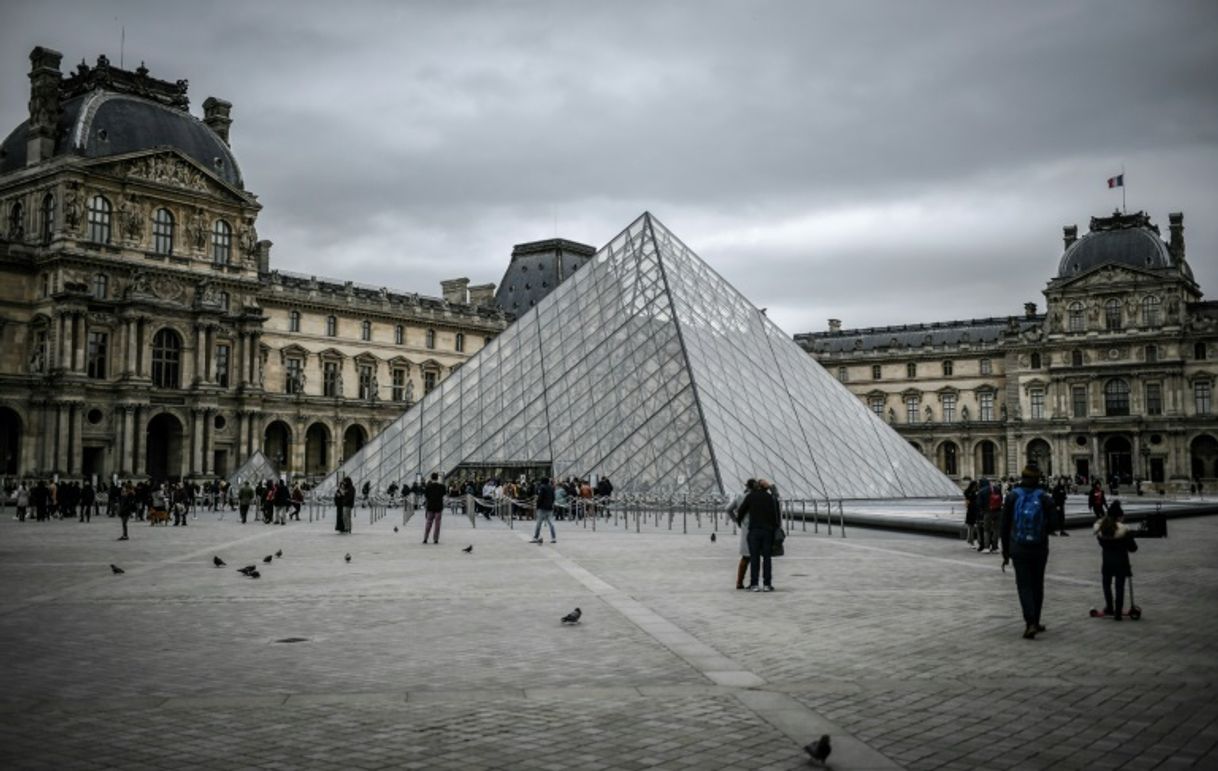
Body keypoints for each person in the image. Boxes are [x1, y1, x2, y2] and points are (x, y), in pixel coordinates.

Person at [1001, 464, 1056, 639]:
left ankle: (1030, 622)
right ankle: (1036, 621)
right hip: (1039, 547)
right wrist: (1041, 531)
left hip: (1018, 546)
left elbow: (1003, 526)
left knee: (1024, 585)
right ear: (1038, 478)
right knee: (1037, 584)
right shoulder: (1045, 498)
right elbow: (1055, 524)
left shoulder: (1011, 496)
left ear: (1022, 477)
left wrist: (1005, 551)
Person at [1094, 501, 1137, 619]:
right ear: (1119, 517)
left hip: (1107, 562)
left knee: (1106, 584)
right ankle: (1118, 612)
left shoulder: (1102, 531)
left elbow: (1101, 542)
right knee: (1119, 586)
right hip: (1121, 562)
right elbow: (1133, 548)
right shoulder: (1124, 531)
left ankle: (1109, 607)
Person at [737, 478, 780, 592]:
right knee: (767, 558)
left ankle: (754, 584)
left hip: (754, 531)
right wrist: (775, 529)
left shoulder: (750, 496)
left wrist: (739, 523)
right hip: (767, 532)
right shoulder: (771, 498)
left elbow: (741, 511)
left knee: (754, 558)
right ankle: (767, 584)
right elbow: (776, 515)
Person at [728, 479, 756, 589]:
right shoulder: (756, 496)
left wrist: (736, 520)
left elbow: (728, 509)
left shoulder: (740, 496)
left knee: (745, 557)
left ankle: (739, 582)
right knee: (755, 557)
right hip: (756, 528)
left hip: (745, 529)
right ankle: (753, 583)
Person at [531, 477, 557, 544]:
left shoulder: (542, 487)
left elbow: (540, 498)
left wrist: (537, 506)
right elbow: (554, 497)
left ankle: (536, 537)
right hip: (550, 508)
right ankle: (553, 538)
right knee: (551, 523)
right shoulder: (551, 488)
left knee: (539, 523)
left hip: (542, 508)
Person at [423, 472, 445, 544]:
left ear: (431, 478)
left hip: (430, 507)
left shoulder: (428, 487)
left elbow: (426, 496)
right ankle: (436, 539)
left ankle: (425, 538)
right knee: (437, 524)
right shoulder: (442, 487)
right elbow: (443, 494)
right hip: (438, 507)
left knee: (428, 523)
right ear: (437, 478)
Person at [963, 480, 980, 548]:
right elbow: (967, 502)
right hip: (971, 510)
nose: (977, 486)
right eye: (976, 485)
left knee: (971, 526)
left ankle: (970, 540)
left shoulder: (970, 491)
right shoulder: (970, 492)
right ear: (973, 485)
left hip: (973, 510)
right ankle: (971, 542)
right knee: (971, 526)